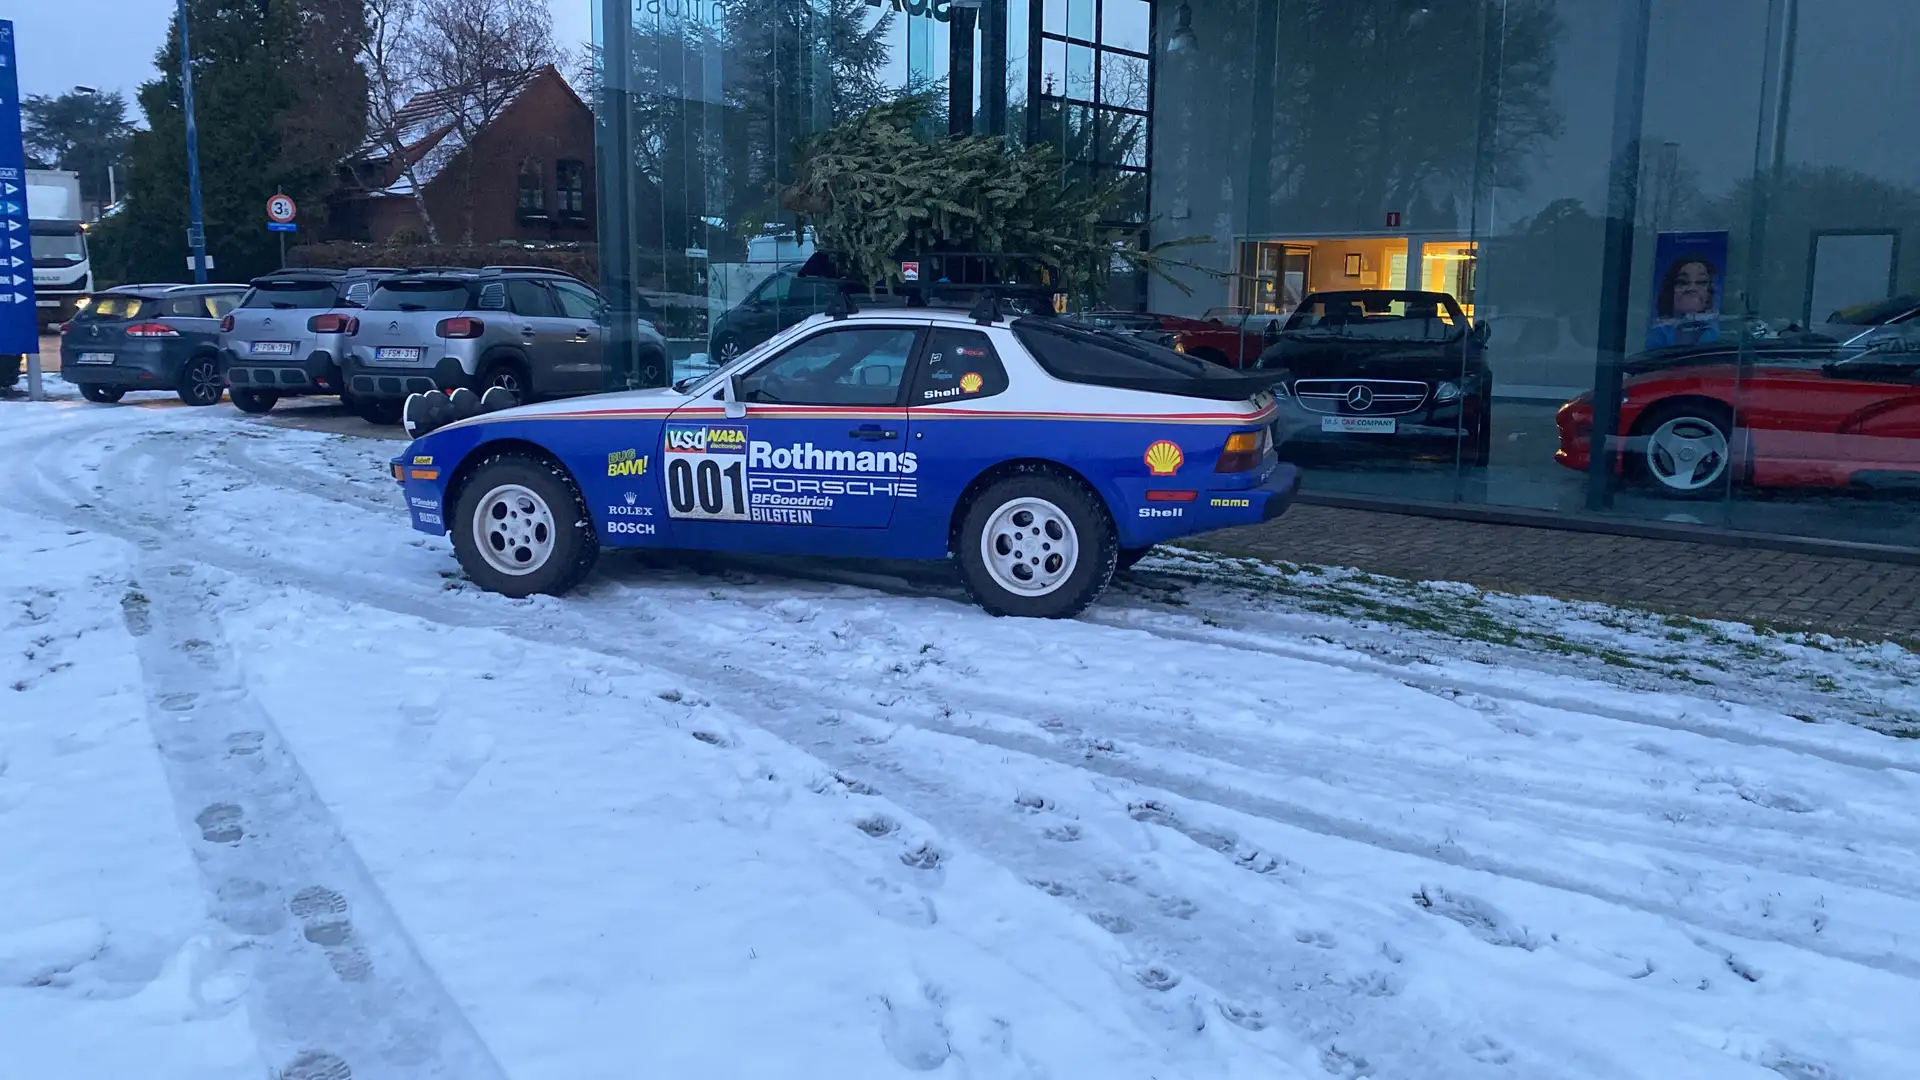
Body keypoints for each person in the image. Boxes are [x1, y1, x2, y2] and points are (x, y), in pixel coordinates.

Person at [1647, 255, 1720, 348]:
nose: (1691, 289)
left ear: (1710, 292)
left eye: (1701, 282)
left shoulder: (1721, 334)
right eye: (1682, 282)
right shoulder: (1658, 333)